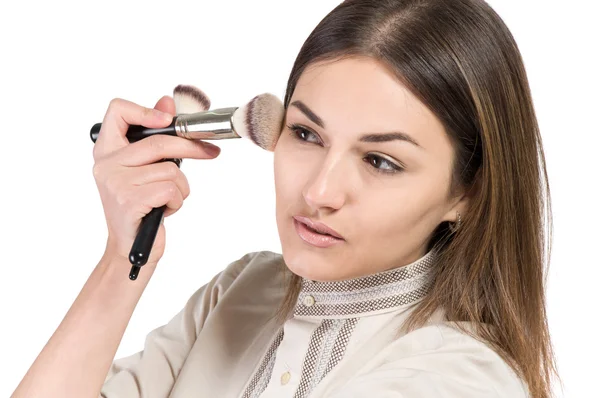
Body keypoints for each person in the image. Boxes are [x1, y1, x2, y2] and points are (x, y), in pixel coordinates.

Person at [12, 0, 560, 397]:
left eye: (381, 162)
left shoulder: (458, 378)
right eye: (306, 134)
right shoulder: (239, 293)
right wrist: (120, 260)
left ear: (466, 193)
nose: (319, 192)